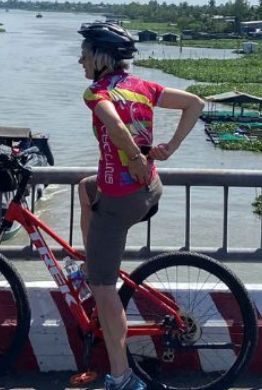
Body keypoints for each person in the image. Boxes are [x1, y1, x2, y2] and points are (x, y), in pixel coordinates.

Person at [74, 21, 204, 390]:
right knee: (85, 189)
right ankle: (94, 260)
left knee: (104, 292)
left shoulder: (96, 93)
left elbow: (114, 126)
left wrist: (134, 157)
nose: (80, 61)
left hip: (121, 201)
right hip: (149, 190)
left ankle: (121, 378)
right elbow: (195, 103)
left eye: (84, 55)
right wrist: (169, 149)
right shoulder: (143, 87)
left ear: (100, 58)